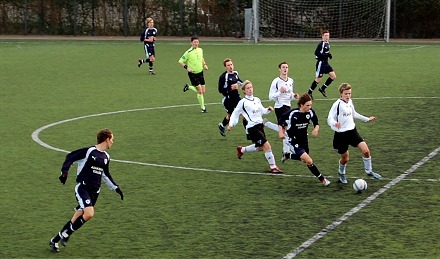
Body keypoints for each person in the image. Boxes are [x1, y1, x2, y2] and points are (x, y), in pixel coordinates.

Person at [49, 128, 124, 253]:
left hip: (95, 192)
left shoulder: (106, 156)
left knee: (76, 218)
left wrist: (116, 188)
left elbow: (105, 174)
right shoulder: (89, 151)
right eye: (112, 139)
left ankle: (55, 240)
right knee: (89, 214)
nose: (113, 142)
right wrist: (64, 172)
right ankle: (66, 235)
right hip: (83, 188)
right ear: (107, 139)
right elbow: (70, 157)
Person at [327, 83, 381, 184]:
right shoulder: (337, 104)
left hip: (352, 132)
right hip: (341, 135)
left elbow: (354, 114)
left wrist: (367, 119)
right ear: (341, 94)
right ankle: (341, 173)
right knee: (345, 158)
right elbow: (329, 119)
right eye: (346, 93)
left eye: (349, 93)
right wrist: (335, 123)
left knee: (366, 151)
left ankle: (369, 171)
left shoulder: (350, 102)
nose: (348, 96)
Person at [227, 80, 283, 174]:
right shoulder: (243, 102)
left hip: (260, 126)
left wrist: (268, 109)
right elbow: (235, 113)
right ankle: (273, 167)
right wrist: (231, 124)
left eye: (251, 87)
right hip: (252, 128)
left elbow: (262, 111)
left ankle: (242, 149)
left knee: (261, 147)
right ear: (244, 91)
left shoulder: (257, 99)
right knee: (267, 145)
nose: (250, 89)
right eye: (248, 88)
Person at [278, 93, 330, 186]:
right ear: (301, 105)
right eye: (307, 105)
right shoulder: (293, 113)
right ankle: (322, 179)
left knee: (304, 160)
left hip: (304, 140)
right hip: (293, 141)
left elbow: (316, 123)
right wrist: (281, 132)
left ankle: (288, 155)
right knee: (309, 161)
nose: (309, 107)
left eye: (310, 105)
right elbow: (281, 119)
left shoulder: (310, 112)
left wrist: (316, 129)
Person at [265, 61, 299, 156]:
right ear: (279, 69)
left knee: (284, 129)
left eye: (286, 67)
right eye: (283, 67)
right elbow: (271, 97)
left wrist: (294, 96)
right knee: (287, 128)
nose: (285, 69)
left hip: (288, 106)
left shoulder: (291, 81)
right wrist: (279, 92)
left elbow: (289, 94)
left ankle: (267, 124)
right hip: (280, 107)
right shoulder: (276, 81)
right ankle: (286, 151)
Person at [178, 37, 209, 113]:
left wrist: (204, 64)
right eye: (194, 42)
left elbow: (202, 58)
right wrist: (187, 68)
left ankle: (188, 87)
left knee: (203, 91)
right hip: (193, 74)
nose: (196, 43)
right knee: (200, 92)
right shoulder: (188, 52)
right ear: (191, 43)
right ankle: (203, 108)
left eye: (197, 42)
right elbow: (180, 61)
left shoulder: (200, 50)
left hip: (200, 72)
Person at [217, 58, 245, 137]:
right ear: (225, 67)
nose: (230, 67)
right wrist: (230, 88)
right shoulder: (223, 77)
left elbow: (240, 82)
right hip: (228, 99)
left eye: (231, 64)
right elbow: (220, 89)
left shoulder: (235, 73)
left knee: (244, 114)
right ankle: (222, 125)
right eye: (228, 65)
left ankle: (248, 133)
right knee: (230, 115)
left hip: (237, 98)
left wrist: (245, 84)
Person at [307, 30, 336, 100]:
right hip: (321, 63)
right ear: (322, 36)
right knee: (318, 79)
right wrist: (323, 56)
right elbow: (316, 52)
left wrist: (329, 54)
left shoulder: (327, 43)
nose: (327, 37)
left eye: (328, 35)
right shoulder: (321, 44)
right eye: (325, 35)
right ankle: (309, 92)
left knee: (333, 76)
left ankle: (322, 88)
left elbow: (326, 51)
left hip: (326, 63)